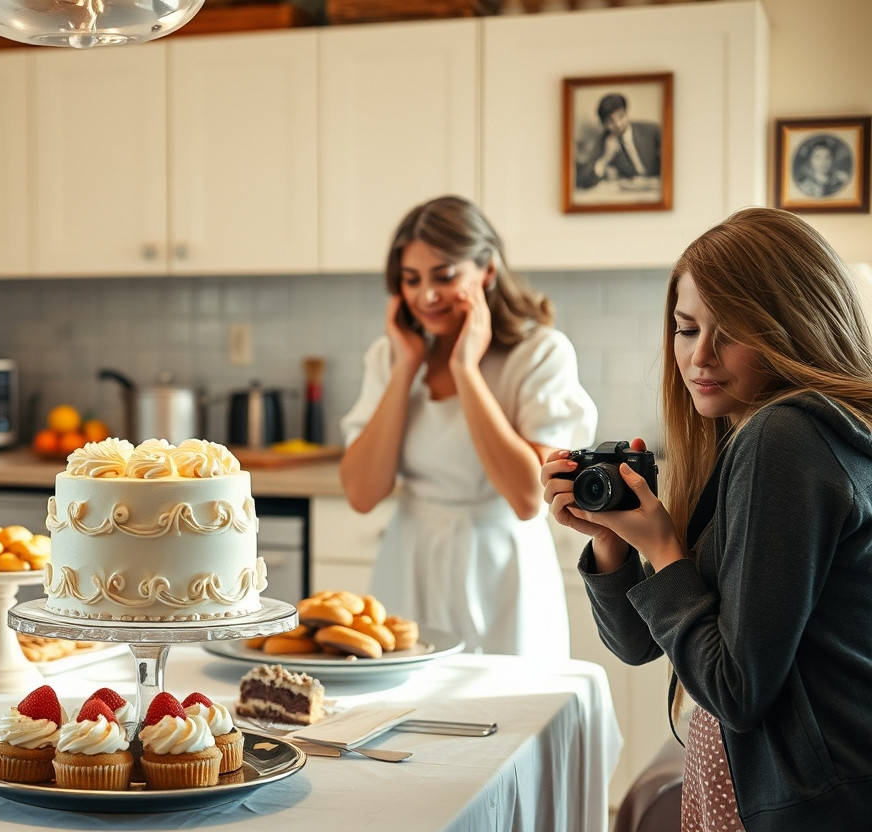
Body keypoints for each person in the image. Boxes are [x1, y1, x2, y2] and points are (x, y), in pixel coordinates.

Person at [541, 208, 872, 829]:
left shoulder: (785, 436)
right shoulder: (756, 434)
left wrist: (665, 548)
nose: (700, 356)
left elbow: (735, 691)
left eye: (733, 330)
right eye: (686, 328)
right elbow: (642, 645)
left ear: (792, 326)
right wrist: (615, 543)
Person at [339, 195, 597, 659]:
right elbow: (361, 492)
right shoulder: (389, 356)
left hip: (502, 571)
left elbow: (525, 497)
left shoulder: (539, 354)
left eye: (445, 276)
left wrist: (466, 370)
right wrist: (405, 369)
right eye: (411, 280)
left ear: (487, 271)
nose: (426, 296)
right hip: (409, 562)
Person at [576, 92, 663, 189]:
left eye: (621, 116)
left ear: (626, 112)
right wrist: (606, 157)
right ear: (604, 125)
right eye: (610, 121)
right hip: (632, 194)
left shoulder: (651, 130)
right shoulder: (603, 141)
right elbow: (582, 179)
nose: (618, 124)